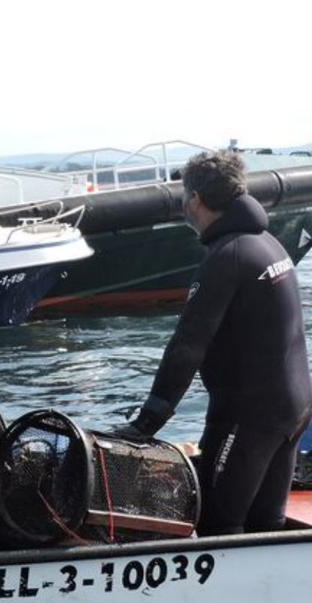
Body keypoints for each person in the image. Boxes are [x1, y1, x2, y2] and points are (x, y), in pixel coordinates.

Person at [116, 150, 312, 536]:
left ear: (195, 200)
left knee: (216, 526)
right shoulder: (269, 244)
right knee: (264, 526)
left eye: (183, 196)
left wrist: (147, 421)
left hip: (249, 416)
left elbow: (187, 346)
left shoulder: (228, 256)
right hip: (294, 408)